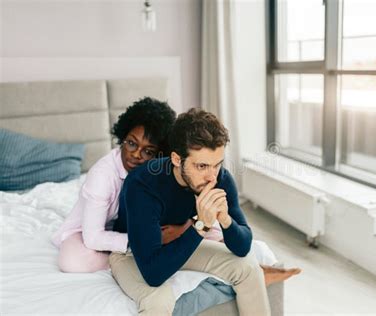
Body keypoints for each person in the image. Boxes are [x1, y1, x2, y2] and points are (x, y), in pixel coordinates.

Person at [110, 108, 288, 316]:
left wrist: (225, 220)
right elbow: (153, 274)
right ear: (177, 159)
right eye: (202, 166)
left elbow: (242, 247)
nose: (211, 177)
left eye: (217, 164)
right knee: (158, 300)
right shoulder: (142, 185)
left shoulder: (220, 178)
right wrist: (201, 225)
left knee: (248, 267)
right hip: (130, 253)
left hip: (178, 243)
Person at [51, 97, 178, 272]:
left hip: (128, 228)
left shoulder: (157, 171)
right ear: (123, 137)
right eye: (132, 143)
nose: (136, 155)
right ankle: (130, 258)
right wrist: (147, 240)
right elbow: (93, 237)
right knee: (71, 262)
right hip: (86, 233)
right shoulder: (102, 176)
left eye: (148, 151)